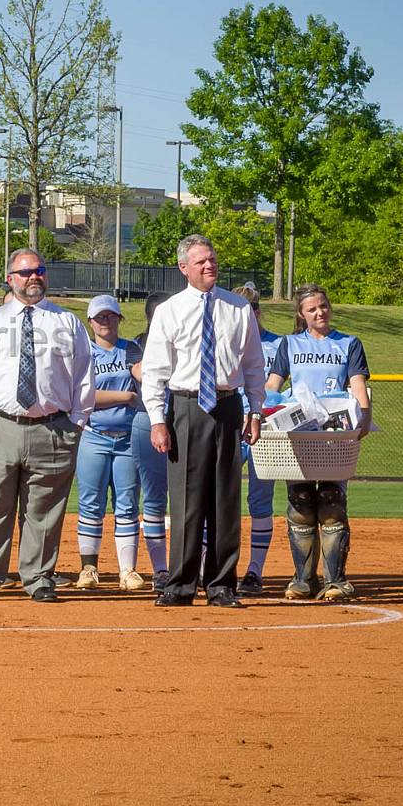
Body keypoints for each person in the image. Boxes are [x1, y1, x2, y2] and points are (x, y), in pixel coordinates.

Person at [0, 248, 94, 603]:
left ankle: (38, 577)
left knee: (44, 509)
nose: (34, 277)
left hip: (53, 427)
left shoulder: (67, 323)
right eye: (25, 272)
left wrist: (76, 423)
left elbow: (83, 379)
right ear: (10, 279)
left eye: (39, 271)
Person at [140, 234, 266, 609]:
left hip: (228, 406)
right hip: (185, 407)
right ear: (183, 268)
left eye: (212, 259)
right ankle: (180, 584)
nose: (209, 266)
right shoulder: (170, 310)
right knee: (187, 499)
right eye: (200, 262)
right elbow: (156, 372)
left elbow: (254, 367)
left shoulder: (238, 307)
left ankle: (221, 584)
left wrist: (255, 411)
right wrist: (157, 420)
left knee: (225, 499)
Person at [265, 283, 372, 602]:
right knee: (299, 503)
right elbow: (273, 385)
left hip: (334, 433)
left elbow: (357, 385)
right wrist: (262, 409)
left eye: (323, 306)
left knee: (331, 502)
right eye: (311, 309)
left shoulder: (349, 343)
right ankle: (303, 579)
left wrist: (363, 419)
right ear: (301, 314)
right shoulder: (289, 344)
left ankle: (336, 579)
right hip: (299, 434)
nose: (319, 312)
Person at [74, 294, 144, 591]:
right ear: (90, 322)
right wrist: (125, 396)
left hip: (128, 439)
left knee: (127, 505)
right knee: (91, 504)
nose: (105, 321)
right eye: (99, 317)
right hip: (94, 436)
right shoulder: (84, 352)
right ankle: (88, 569)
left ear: (119, 318)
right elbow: (83, 398)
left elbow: (146, 380)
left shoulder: (131, 349)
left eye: (111, 316)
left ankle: (128, 570)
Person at [232, 282, 282, 597]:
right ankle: (213, 567)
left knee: (260, 502)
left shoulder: (279, 345)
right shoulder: (223, 341)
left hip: (265, 430)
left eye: (250, 310)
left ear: (258, 312)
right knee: (221, 498)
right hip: (229, 428)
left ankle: (255, 571)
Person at [130, 292, 173, 593]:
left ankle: (193, 566)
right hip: (149, 423)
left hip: (186, 421)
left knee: (191, 500)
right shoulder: (136, 345)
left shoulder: (187, 341)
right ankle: (160, 569)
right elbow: (143, 373)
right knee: (154, 499)